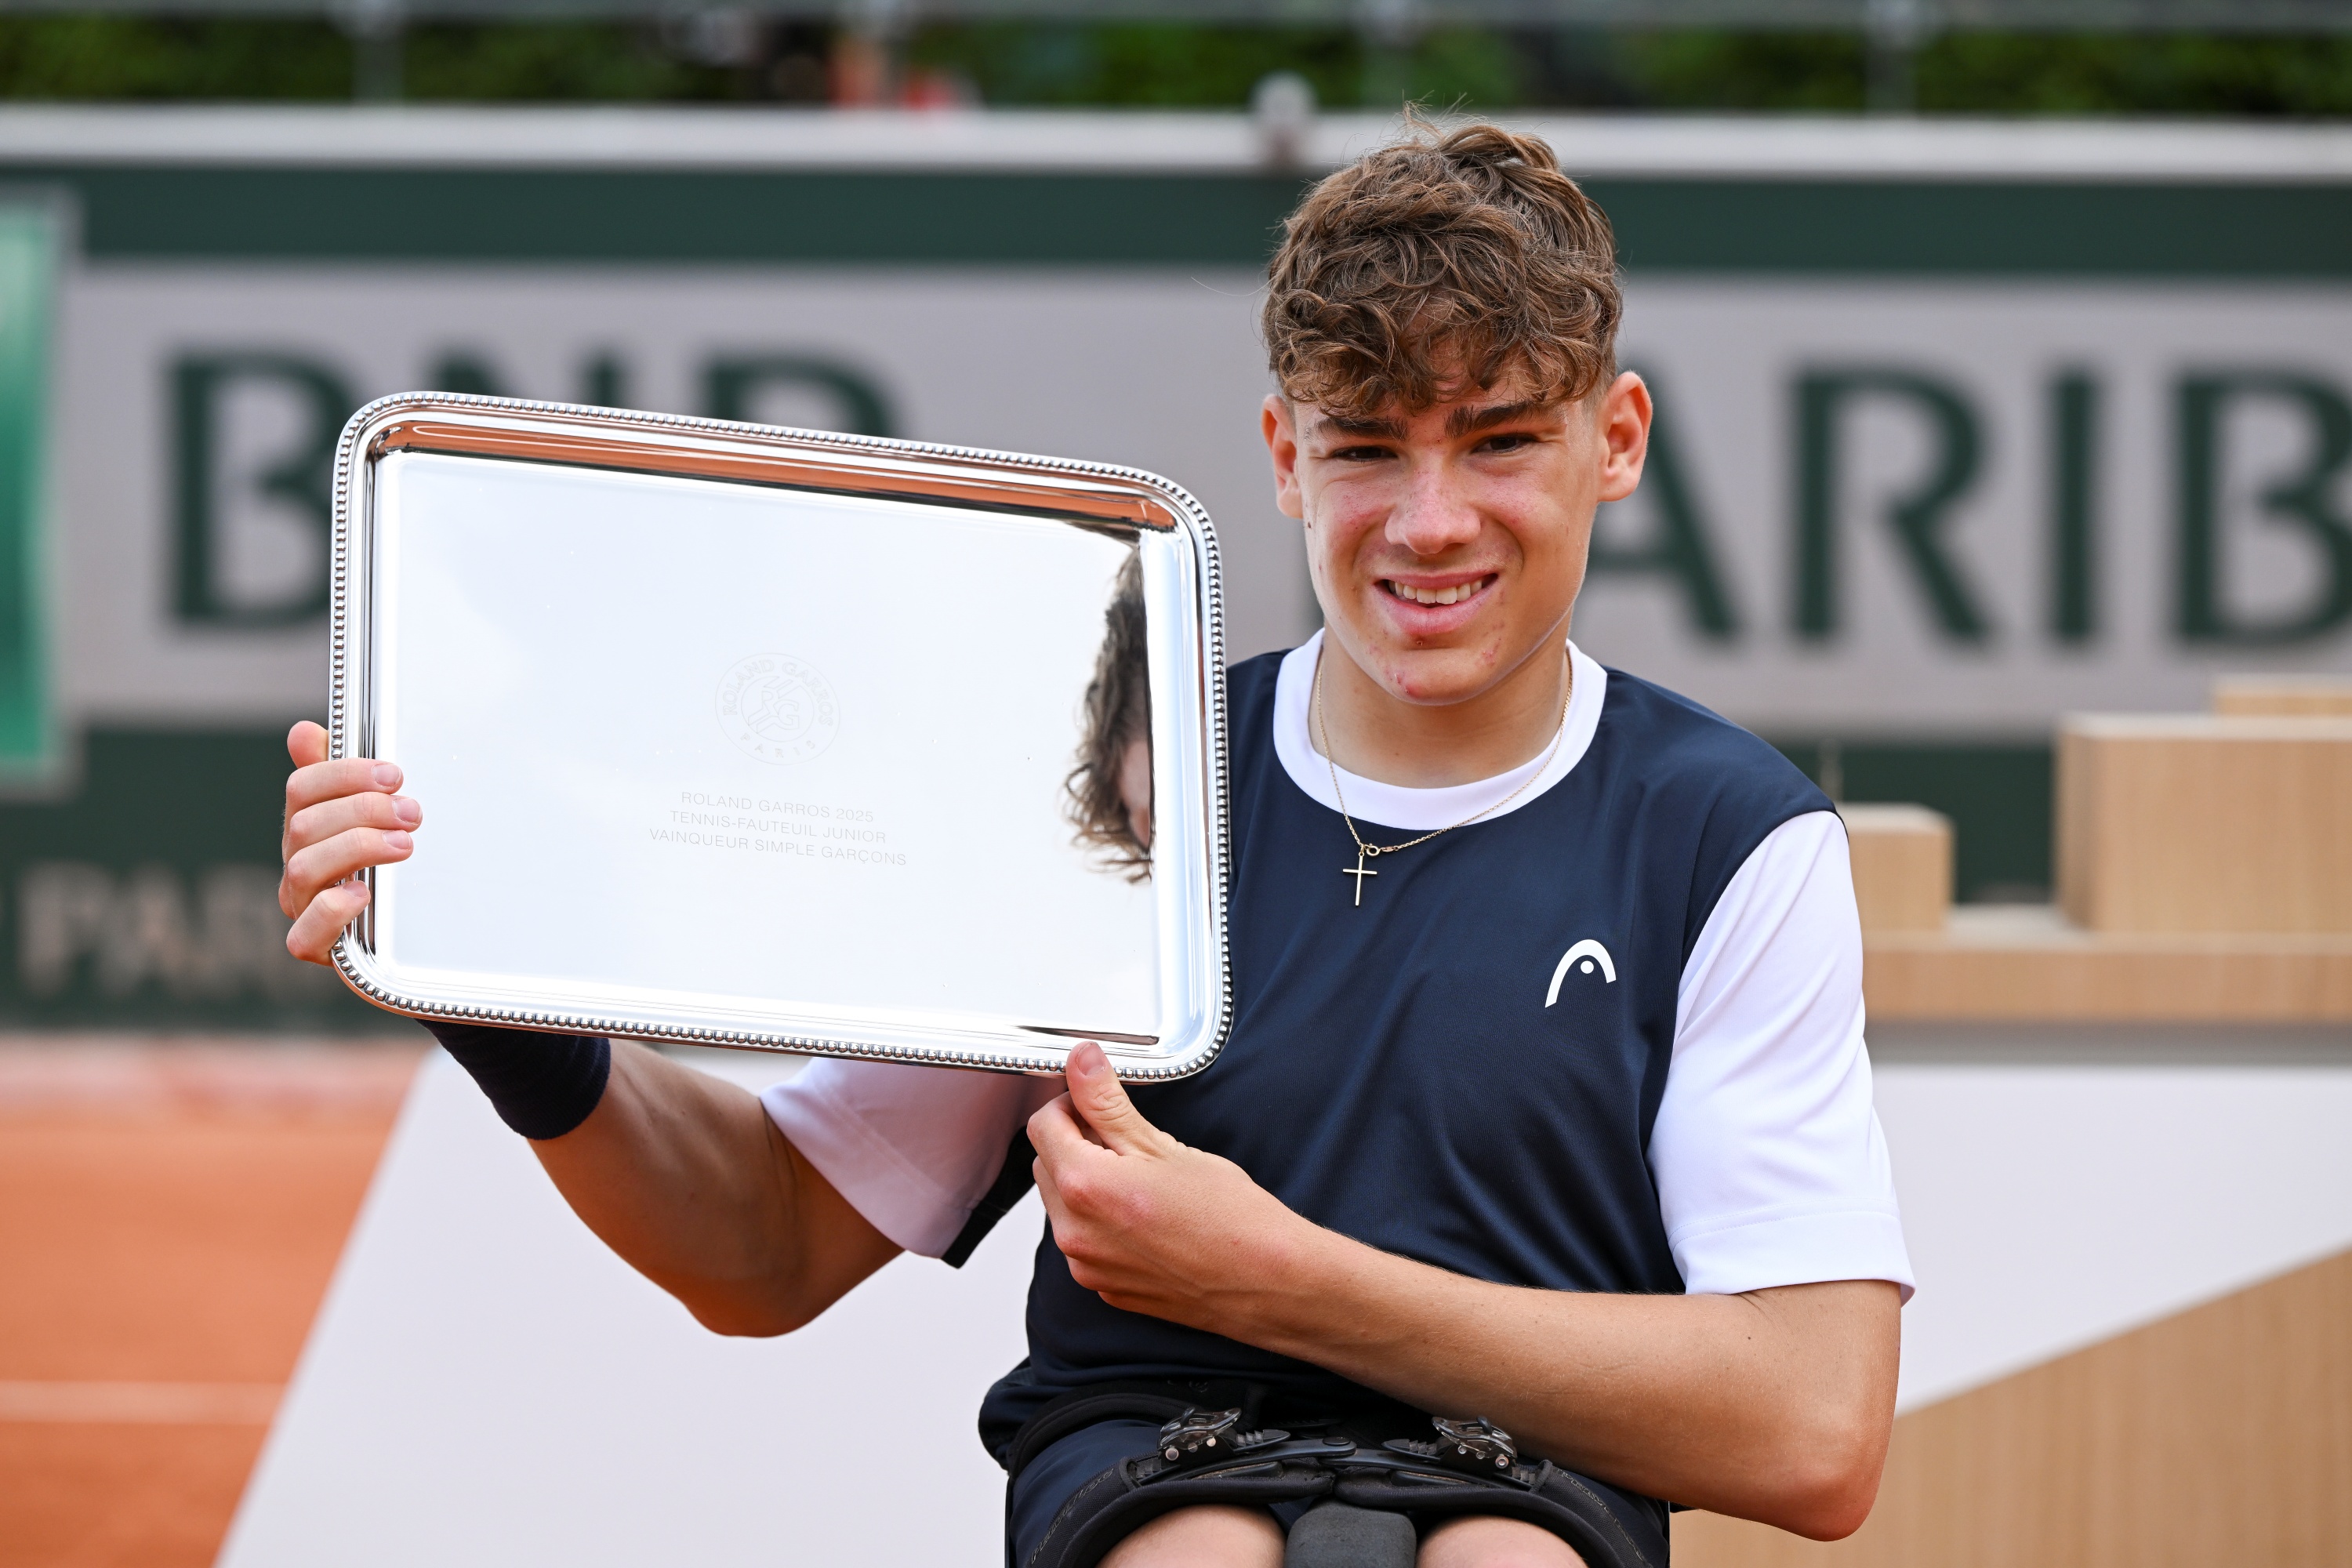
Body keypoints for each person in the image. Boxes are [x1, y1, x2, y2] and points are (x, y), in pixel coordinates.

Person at [278, 119, 1910, 1568]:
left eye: (1497, 438)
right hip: (1153, 1459)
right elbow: (768, 1244)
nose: (1427, 520)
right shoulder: (1108, 783)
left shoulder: (1729, 837)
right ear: (1283, 457)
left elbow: (1816, 1431)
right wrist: (503, 1006)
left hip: (1534, 1483)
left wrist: (1290, 1282)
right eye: (1363, 446)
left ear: (1614, 440)